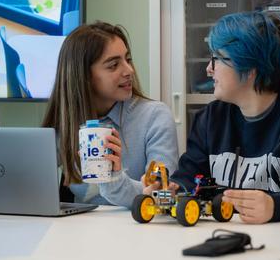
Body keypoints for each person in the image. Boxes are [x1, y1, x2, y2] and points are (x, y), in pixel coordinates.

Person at [149, 12, 280, 259]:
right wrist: (171, 190)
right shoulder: (210, 119)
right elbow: (190, 177)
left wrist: (275, 206)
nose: (209, 69)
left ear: (251, 68)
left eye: (217, 59)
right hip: (231, 248)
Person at [42, 21, 178, 208]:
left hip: (140, 230)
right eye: (114, 65)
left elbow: (161, 195)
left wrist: (114, 178)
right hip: (78, 229)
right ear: (84, 76)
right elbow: (29, 180)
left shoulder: (155, 116)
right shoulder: (67, 122)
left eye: (127, 60)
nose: (129, 70)